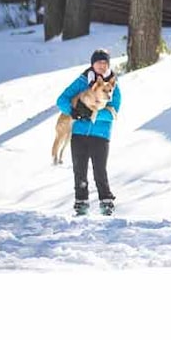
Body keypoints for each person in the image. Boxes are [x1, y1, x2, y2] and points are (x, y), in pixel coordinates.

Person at [57, 49, 123, 216]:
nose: (101, 65)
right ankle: (81, 204)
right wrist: (73, 112)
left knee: (100, 170)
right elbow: (61, 100)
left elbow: (113, 112)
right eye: (98, 62)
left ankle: (106, 203)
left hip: (101, 135)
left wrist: (92, 113)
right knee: (79, 171)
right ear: (92, 64)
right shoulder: (82, 81)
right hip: (79, 133)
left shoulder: (113, 87)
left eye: (105, 63)